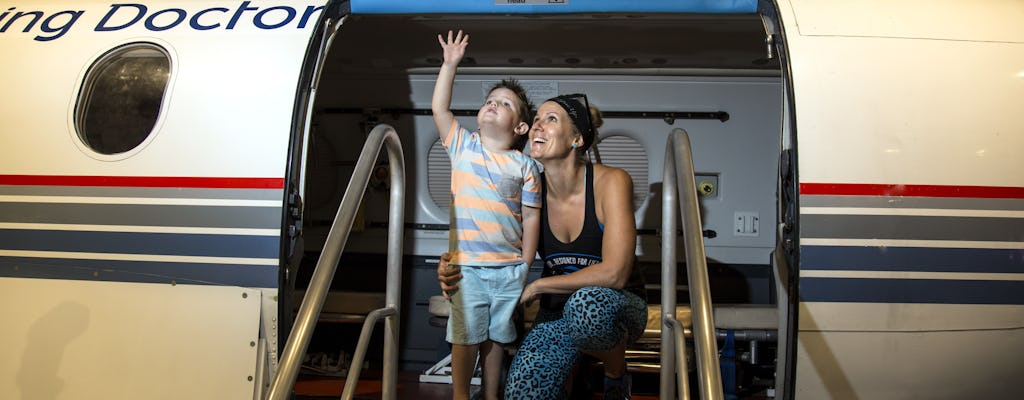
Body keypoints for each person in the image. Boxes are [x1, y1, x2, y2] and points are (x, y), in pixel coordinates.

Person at [439, 94, 648, 400]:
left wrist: (538, 287)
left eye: (551, 120)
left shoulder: (611, 181)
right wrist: (450, 264)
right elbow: (491, 237)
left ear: (577, 138)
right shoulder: (529, 185)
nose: (538, 126)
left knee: (586, 307)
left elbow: (615, 274)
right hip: (557, 310)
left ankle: (615, 375)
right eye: (536, 120)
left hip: (617, 305)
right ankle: (570, 376)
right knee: (522, 393)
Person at [431, 29, 542, 400]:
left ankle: (492, 394)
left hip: (508, 267)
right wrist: (450, 66)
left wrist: (524, 265)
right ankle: (462, 394)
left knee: (497, 337)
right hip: (469, 266)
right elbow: (440, 110)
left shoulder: (526, 166)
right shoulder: (463, 146)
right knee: (465, 336)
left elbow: (530, 219)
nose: (493, 105)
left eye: (505, 104)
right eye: (490, 100)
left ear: (520, 127)